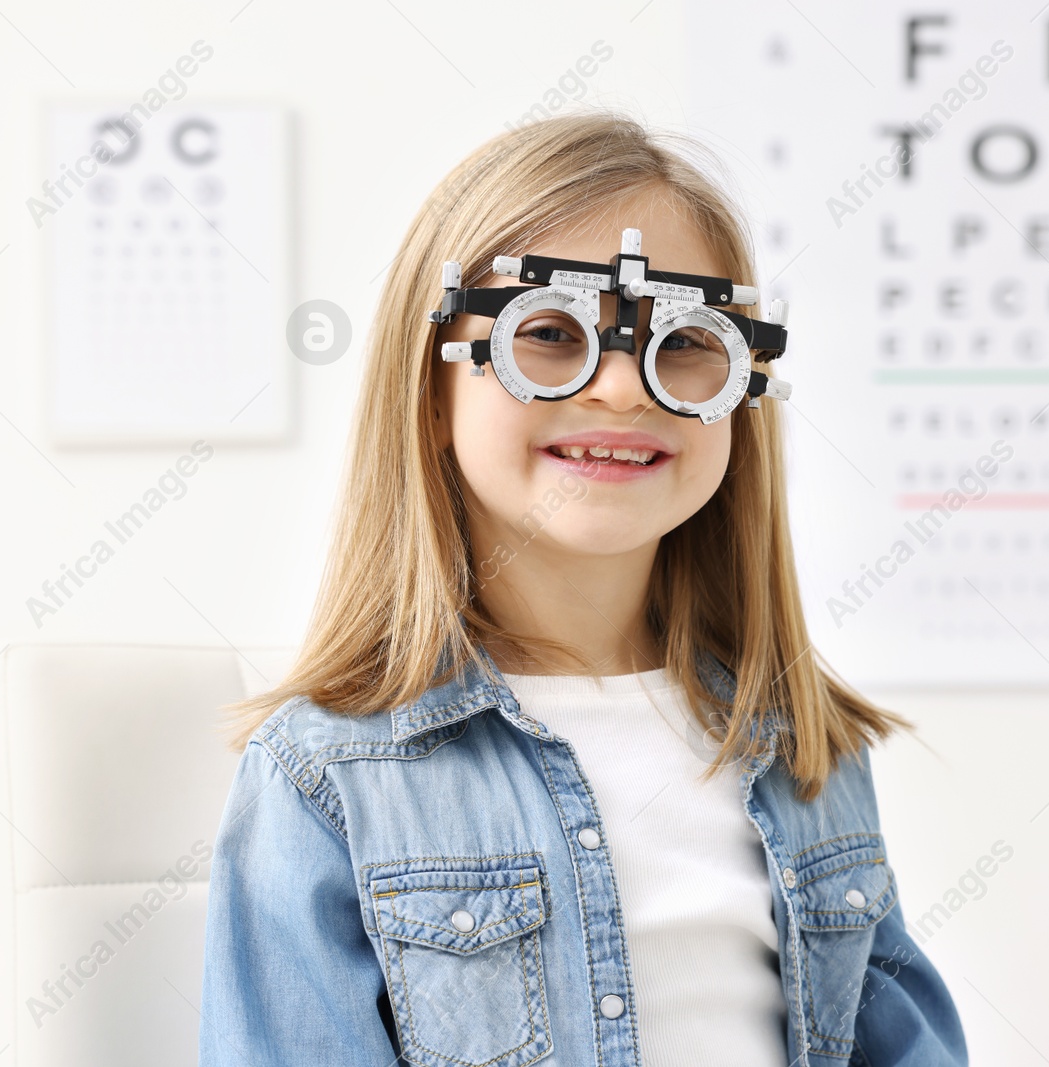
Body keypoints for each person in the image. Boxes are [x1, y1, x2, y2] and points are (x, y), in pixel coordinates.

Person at [199, 111, 968, 1067]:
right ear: (433, 391)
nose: (620, 387)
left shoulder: (802, 746)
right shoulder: (328, 776)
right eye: (550, 334)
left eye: (684, 342)